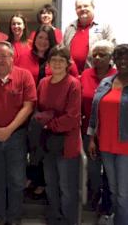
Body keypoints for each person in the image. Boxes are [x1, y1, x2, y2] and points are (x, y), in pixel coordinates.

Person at [0, 41, 36, 225]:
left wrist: (8, 130)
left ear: (12, 57)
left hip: (16, 136)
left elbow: (28, 107)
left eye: (5, 56)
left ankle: (14, 218)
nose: (1, 60)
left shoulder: (25, 76)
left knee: (17, 180)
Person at [36, 45, 81, 225]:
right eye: (53, 60)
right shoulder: (43, 83)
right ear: (48, 63)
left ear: (67, 63)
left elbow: (72, 118)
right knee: (51, 183)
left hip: (66, 143)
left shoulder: (73, 84)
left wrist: (47, 123)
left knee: (67, 187)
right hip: (47, 143)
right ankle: (54, 217)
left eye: (61, 60)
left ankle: (69, 220)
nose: (57, 64)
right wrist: (45, 123)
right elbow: (39, 111)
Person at [88, 44, 128, 225]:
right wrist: (92, 139)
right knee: (113, 189)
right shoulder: (106, 82)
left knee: (122, 194)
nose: (123, 61)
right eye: (119, 58)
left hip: (125, 146)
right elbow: (95, 113)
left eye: (126, 58)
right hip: (105, 144)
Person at [81, 40, 117, 210]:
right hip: (89, 130)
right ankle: (95, 198)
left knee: (111, 172)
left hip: (113, 132)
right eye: (94, 54)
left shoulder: (119, 75)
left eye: (102, 54)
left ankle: (109, 204)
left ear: (111, 57)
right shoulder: (86, 74)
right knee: (94, 170)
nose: (97, 58)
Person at [63, 0, 115, 74]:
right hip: (71, 75)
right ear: (75, 10)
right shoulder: (70, 27)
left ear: (93, 7)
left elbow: (113, 50)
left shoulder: (105, 27)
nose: (82, 9)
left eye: (86, 6)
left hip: (97, 75)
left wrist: (106, 72)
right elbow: (63, 50)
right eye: (79, 7)